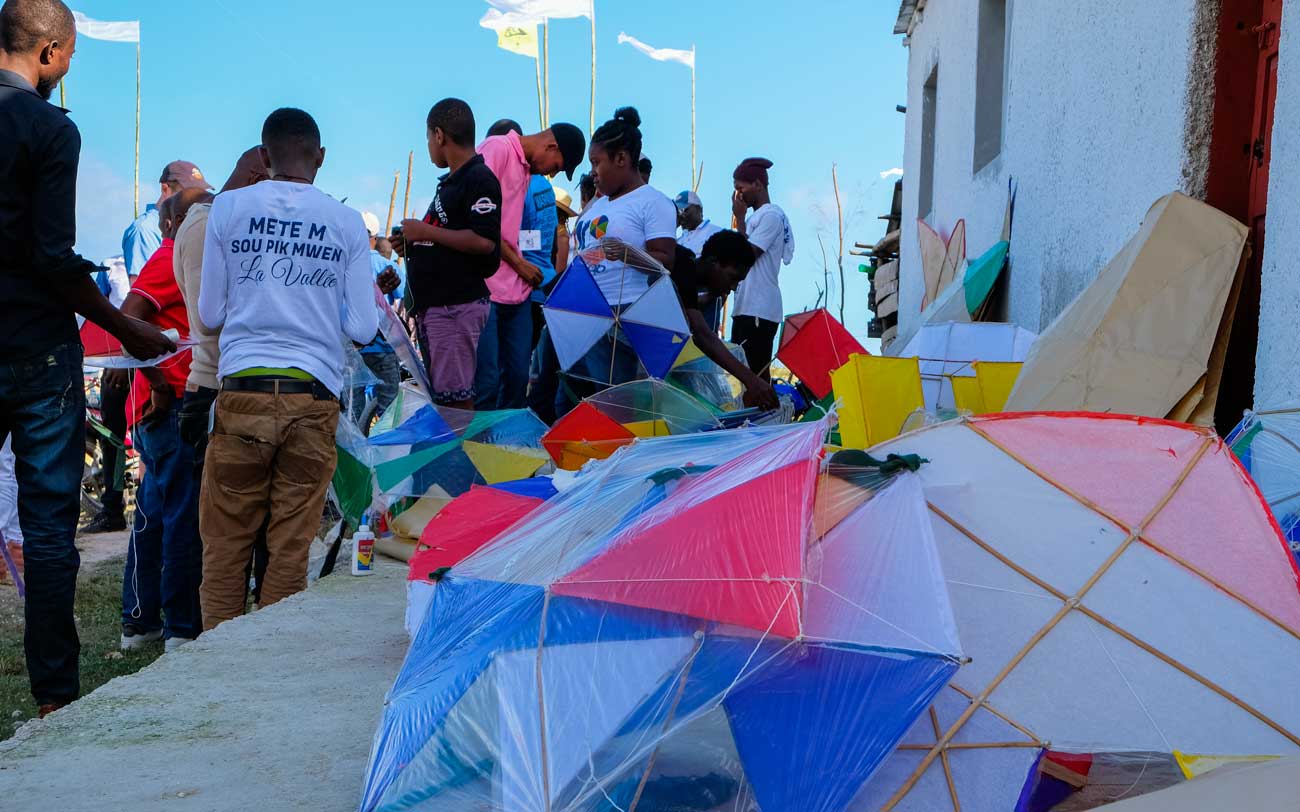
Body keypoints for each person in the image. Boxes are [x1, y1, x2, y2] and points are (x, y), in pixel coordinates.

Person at [0, 0, 174, 716]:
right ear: (50, 51)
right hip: (36, 351)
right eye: (68, 57)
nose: (67, 69)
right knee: (47, 532)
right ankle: (54, 703)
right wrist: (123, 327)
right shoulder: (48, 127)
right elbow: (52, 257)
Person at [196, 107, 377, 630]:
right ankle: (269, 664)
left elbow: (209, 315)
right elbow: (363, 329)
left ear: (264, 154)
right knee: (289, 548)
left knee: (226, 544)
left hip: (242, 393)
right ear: (320, 156)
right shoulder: (345, 222)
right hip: (311, 399)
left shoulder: (228, 209)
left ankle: (216, 665)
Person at [173, 145, 272, 608]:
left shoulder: (222, 221)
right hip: (215, 385)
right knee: (213, 530)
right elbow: (207, 319)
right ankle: (187, 629)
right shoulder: (208, 224)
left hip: (232, 384)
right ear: (257, 174)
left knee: (236, 525)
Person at [118, 189, 209, 652]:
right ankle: (179, 627)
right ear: (175, 223)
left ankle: (140, 621)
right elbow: (127, 319)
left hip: (166, 403)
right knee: (179, 516)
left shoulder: (180, 256)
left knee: (155, 513)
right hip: (170, 403)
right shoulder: (172, 257)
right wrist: (156, 380)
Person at [563, 107, 677, 411]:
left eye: (596, 162)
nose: (592, 172)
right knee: (567, 401)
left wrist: (629, 254)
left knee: (615, 405)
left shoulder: (654, 203)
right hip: (582, 311)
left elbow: (666, 261)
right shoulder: (598, 204)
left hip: (622, 316)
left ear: (622, 160)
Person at [394, 98, 501, 410]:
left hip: (455, 306)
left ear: (439, 135)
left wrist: (425, 232)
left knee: (455, 403)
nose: (428, 144)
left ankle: (457, 458)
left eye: (428, 137)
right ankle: (451, 456)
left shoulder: (478, 178)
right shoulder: (451, 184)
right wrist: (412, 242)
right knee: (444, 397)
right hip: (439, 306)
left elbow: (484, 241)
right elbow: (448, 238)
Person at [475, 116, 586, 413]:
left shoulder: (530, 176)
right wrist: (520, 263)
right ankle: (476, 453)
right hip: (486, 289)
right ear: (550, 146)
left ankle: (504, 450)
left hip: (521, 293)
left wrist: (528, 266)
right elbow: (477, 217)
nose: (552, 173)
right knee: (485, 385)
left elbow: (528, 237)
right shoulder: (496, 150)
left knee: (517, 381)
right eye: (557, 166)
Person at [672, 233, 779, 410]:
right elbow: (702, 335)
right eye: (733, 277)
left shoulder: (687, 274)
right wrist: (752, 380)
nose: (734, 286)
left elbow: (688, 304)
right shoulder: (682, 264)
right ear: (713, 262)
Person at [730, 157, 795, 381]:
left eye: (741, 188)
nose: (738, 195)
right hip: (747, 306)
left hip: (759, 308)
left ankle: (767, 415)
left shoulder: (770, 216)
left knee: (755, 375)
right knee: (742, 376)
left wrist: (739, 217)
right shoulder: (759, 216)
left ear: (758, 184)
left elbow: (746, 255)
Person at [351, 211, 402, 429]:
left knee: (352, 406)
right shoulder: (387, 266)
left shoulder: (346, 263)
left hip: (352, 347)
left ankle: (353, 452)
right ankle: (384, 452)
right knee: (388, 406)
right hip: (383, 345)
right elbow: (401, 302)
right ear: (374, 236)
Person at [123, 160, 212, 276]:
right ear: (165, 189)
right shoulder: (144, 230)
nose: (197, 199)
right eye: (188, 193)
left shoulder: (194, 222)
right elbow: (143, 285)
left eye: (200, 193)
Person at [675, 190, 725, 331]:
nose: (682, 214)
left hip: (705, 296)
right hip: (682, 299)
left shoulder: (715, 232)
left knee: (703, 344)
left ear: (699, 209)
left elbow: (723, 270)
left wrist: (710, 296)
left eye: (685, 209)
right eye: (679, 210)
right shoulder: (680, 239)